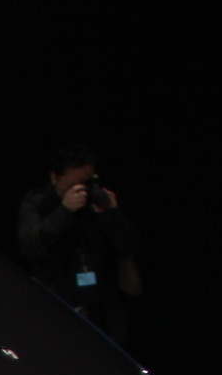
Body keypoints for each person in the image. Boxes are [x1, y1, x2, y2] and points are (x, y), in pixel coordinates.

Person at [18, 144, 140, 342]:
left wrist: (111, 215)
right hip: (54, 309)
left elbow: (129, 247)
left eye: (86, 183)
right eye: (73, 185)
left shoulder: (95, 202)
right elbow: (30, 246)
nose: (81, 190)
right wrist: (64, 211)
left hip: (101, 313)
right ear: (55, 178)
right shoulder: (38, 203)